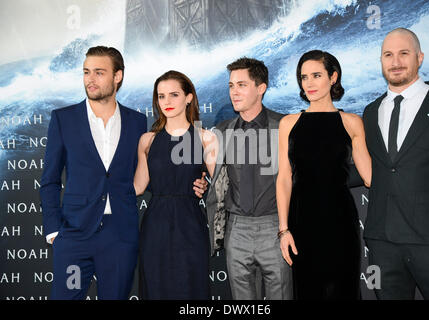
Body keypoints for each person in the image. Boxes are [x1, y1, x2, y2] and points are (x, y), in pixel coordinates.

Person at [40, 46, 147, 300]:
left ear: (117, 76)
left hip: (120, 236)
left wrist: (193, 181)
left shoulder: (137, 122)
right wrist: (55, 231)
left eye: (99, 72)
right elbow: (50, 180)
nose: (91, 79)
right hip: (75, 235)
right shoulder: (63, 119)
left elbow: (146, 171)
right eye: (87, 72)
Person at [362, 28, 429, 299]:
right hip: (382, 243)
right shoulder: (371, 111)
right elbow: (363, 168)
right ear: (381, 61)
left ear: (420, 58)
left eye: (404, 53)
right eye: (388, 55)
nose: (395, 62)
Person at [277, 50, 372, 300]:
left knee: (344, 292)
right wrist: (284, 230)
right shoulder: (289, 123)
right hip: (302, 222)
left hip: (341, 222)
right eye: (304, 77)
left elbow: (370, 177)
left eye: (316, 75)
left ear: (333, 77)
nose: (309, 83)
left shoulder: (352, 122)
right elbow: (284, 178)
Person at [206, 57, 293, 300]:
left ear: (261, 88)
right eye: (231, 85)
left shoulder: (284, 126)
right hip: (237, 229)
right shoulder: (223, 131)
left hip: (275, 226)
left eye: (242, 85)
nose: (234, 92)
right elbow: (216, 178)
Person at [134, 70, 216, 299]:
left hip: (190, 224)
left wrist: (206, 186)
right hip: (155, 226)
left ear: (189, 97)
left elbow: (221, 186)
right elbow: (138, 187)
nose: (166, 102)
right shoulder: (147, 140)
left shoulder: (205, 138)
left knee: (191, 288)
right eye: (161, 96)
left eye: (174, 95)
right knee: (155, 288)